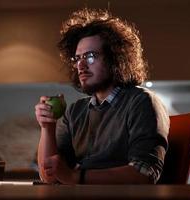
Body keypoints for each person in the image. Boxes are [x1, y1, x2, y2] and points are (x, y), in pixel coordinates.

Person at [35, 8, 169, 185]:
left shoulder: (141, 101)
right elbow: (50, 176)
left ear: (115, 59)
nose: (81, 65)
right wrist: (47, 127)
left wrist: (76, 177)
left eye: (90, 56)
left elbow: (145, 172)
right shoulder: (75, 111)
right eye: (77, 59)